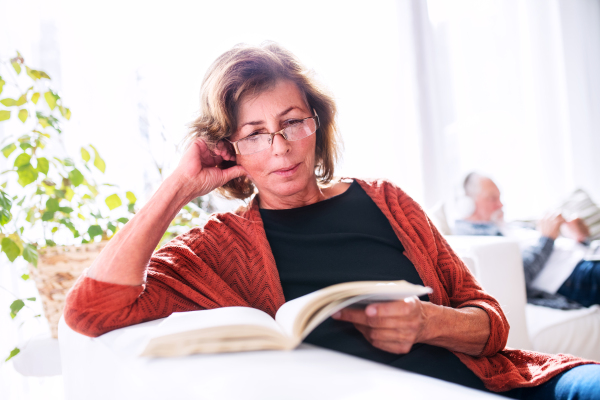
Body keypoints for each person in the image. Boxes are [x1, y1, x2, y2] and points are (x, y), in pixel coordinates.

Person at [63, 43, 598, 398]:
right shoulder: (220, 247)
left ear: (316, 123)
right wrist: (177, 185)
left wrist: (428, 323)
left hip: (502, 382)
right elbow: (91, 311)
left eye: (293, 122)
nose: (281, 148)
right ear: (229, 149)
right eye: (255, 133)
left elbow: (493, 327)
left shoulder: (387, 200)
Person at [454, 172, 600, 310]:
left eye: (499, 198)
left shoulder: (508, 225)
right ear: (467, 205)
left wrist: (579, 239)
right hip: (572, 275)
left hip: (588, 256)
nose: (501, 205)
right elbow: (516, 277)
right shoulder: (476, 241)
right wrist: (547, 239)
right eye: (492, 199)